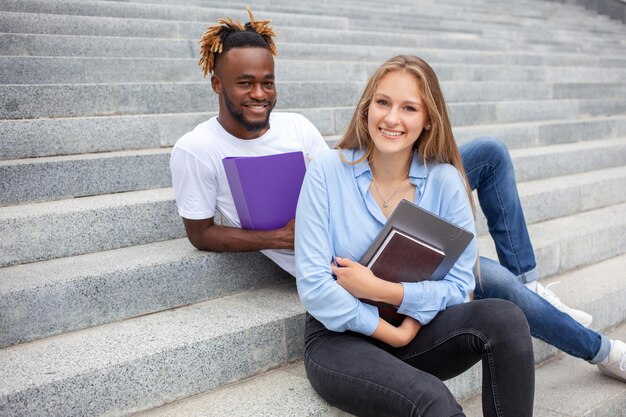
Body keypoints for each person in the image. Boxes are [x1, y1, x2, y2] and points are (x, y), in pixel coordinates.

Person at [169, 7, 625, 386]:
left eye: (266, 83)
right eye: (245, 84)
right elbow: (200, 232)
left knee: (489, 154)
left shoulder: (298, 128)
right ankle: (598, 348)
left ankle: (530, 279)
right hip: (343, 257)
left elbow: (352, 177)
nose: (259, 94)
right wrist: (279, 236)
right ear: (217, 83)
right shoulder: (197, 149)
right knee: (496, 284)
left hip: (383, 215)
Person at [294, 54, 535, 416]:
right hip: (340, 339)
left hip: (415, 328)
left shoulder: (445, 181)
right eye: (382, 103)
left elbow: (457, 286)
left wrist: (385, 293)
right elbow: (314, 284)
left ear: (427, 120)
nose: (392, 118)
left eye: (409, 108)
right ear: (366, 108)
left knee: (506, 318)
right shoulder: (328, 171)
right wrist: (390, 332)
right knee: (432, 399)